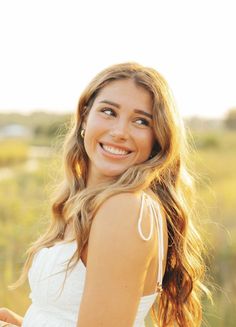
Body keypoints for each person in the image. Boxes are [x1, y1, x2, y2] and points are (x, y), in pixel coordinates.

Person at [0, 62, 210, 327]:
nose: (120, 132)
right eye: (109, 112)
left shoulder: (125, 209)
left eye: (141, 121)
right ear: (85, 117)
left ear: (158, 138)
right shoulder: (99, 204)